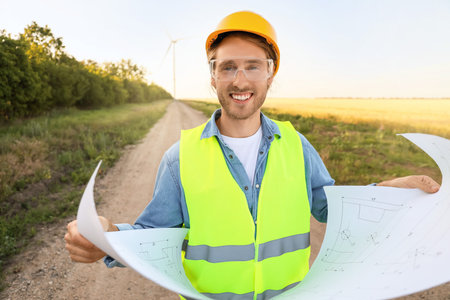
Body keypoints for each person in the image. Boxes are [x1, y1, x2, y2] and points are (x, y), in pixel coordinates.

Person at [65, 11, 441, 299]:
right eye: (227, 67)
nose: (240, 80)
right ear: (212, 76)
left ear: (269, 75)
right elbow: (155, 235)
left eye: (252, 66)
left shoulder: (297, 146)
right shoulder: (179, 158)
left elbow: (332, 209)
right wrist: (107, 238)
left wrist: (388, 193)